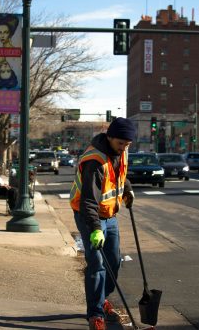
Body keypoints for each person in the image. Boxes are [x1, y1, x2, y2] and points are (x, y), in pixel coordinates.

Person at [70, 117, 136, 330]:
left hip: (110, 214)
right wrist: (95, 230)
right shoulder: (94, 161)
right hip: (89, 216)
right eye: (120, 144)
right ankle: (95, 314)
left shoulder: (121, 151)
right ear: (109, 138)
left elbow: (119, 174)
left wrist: (127, 188)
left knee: (114, 262)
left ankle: (102, 299)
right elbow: (89, 200)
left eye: (127, 144)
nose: (124, 148)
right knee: (97, 264)